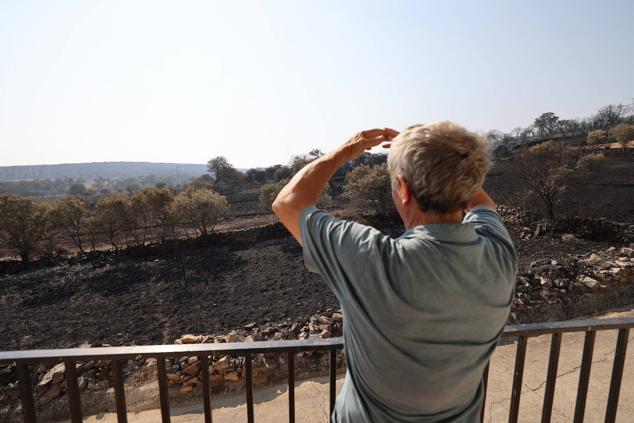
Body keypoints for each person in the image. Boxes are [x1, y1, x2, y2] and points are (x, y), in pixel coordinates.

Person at [272, 122, 517, 422]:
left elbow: (287, 202)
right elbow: (482, 202)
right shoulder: (498, 254)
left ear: (403, 190)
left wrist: (345, 151)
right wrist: (440, 162)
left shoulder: (371, 259)